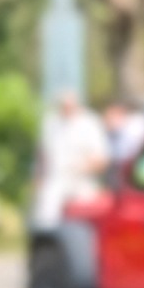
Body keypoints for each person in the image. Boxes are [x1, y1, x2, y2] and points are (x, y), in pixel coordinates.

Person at [33, 91, 111, 223]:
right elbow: (43, 154)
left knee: (84, 217)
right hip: (56, 178)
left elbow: (101, 159)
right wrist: (39, 177)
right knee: (46, 215)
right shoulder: (51, 123)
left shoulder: (90, 123)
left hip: (82, 180)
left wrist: (83, 168)